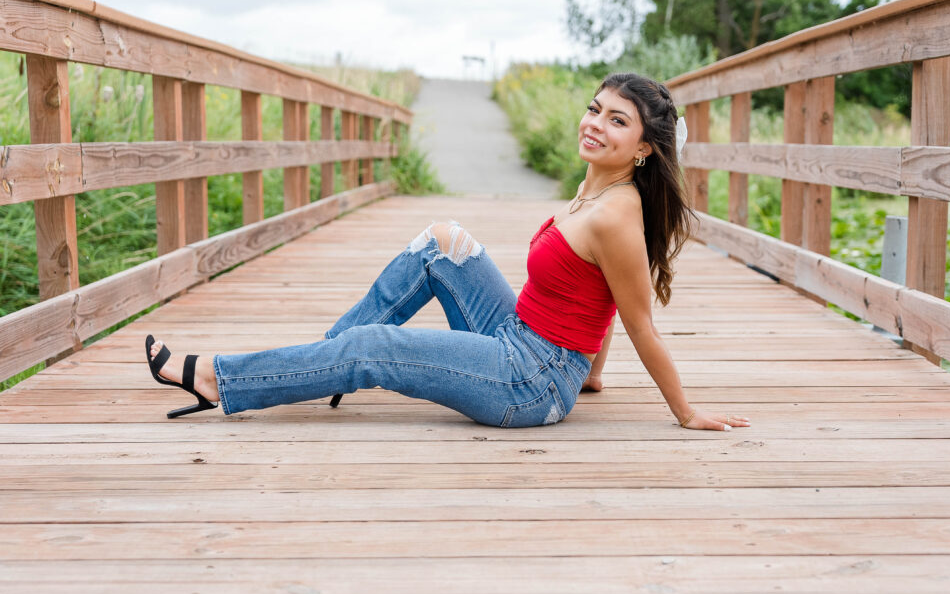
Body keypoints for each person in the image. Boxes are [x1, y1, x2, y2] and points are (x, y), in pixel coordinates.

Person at [146, 72, 751, 432]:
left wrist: (686, 412)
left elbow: (639, 318)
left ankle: (221, 383)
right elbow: (604, 300)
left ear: (644, 148)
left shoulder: (619, 213)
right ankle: (325, 364)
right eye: (596, 108)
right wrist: (592, 374)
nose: (596, 123)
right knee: (441, 242)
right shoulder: (598, 184)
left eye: (617, 121)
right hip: (522, 337)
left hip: (529, 382)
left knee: (374, 348)